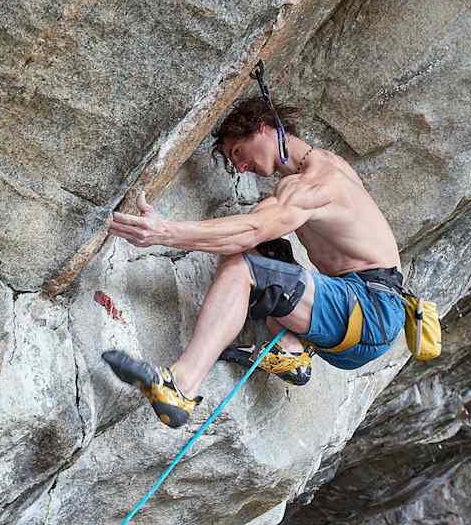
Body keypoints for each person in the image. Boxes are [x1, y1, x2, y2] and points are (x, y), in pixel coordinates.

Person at [101, 97, 406, 428]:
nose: (240, 167)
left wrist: (166, 232)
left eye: (237, 152)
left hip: (371, 310)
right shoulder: (317, 169)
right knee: (264, 252)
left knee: (244, 265)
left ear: (263, 128)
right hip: (361, 312)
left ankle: (180, 386)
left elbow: (249, 231)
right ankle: (291, 350)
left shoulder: (317, 182)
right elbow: (253, 230)